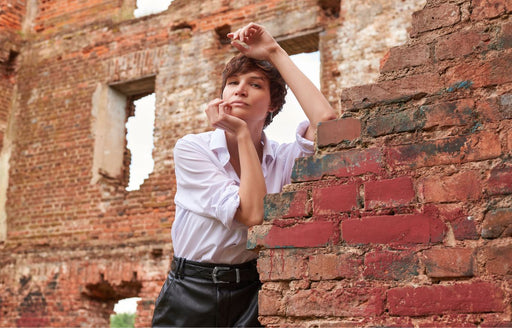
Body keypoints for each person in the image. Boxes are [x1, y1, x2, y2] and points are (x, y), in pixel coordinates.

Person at [152, 22, 337, 327]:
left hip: (253, 290)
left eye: (255, 84)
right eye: (233, 82)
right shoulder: (193, 149)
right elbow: (251, 213)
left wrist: (275, 51)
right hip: (190, 290)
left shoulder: (281, 157)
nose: (240, 89)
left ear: (273, 102)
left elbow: (327, 123)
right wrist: (239, 133)